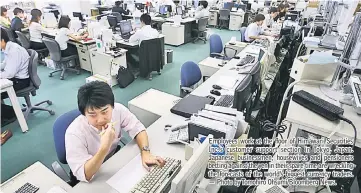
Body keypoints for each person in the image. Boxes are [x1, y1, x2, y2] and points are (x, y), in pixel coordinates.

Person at [65, 81, 166, 182]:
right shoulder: (74, 133)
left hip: (112, 161)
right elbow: (84, 174)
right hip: (89, 175)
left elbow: (138, 129)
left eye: (104, 111)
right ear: (84, 114)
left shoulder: (118, 110)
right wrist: (105, 147)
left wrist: (146, 153)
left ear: (112, 106)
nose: (100, 120)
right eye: (92, 115)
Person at [1, 28, 30, 94]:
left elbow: (9, 74)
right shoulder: (7, 47)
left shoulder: (13, 51)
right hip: (15, 78)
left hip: (20, 82)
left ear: (2, 40)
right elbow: (5, 64)